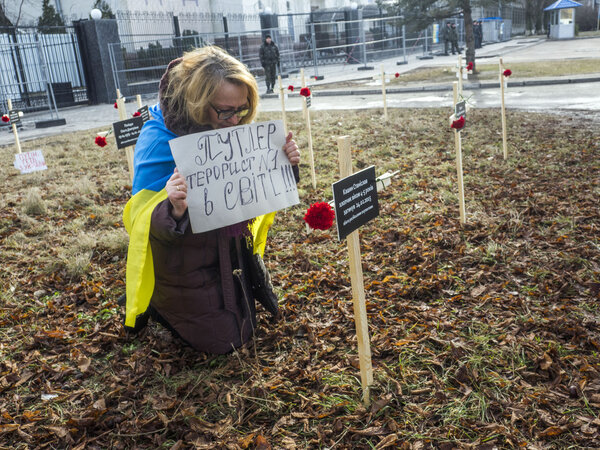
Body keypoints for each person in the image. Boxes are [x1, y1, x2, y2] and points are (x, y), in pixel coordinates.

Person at [123, 45, 301, 354]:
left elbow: (252, 187)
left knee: (242, 329)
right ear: (198, 102)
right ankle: (160, 309)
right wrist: (174, 209)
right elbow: (138, 223)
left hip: (228, 256)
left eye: (242, 110)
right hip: (183, 263)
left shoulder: (229, 124)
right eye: (225, 111)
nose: (235, 121)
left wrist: (285, 165)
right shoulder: (158, 141)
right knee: (224, 343)